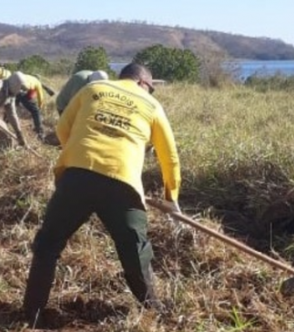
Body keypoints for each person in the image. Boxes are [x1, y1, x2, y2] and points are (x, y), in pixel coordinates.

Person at [22, 63, 181, 327]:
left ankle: (32, 315)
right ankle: (154, 311)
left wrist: (79, 153)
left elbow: (62, 128)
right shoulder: (152, 106)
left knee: (47, 245)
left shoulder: (93, 88)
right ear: (143, 83)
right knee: (135, 252)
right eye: (151, 88)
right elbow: (170, 157)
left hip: (76, 179)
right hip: (123, 185)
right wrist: (171, 198)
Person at [14, 72, 46, 141]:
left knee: (11, 109)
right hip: (23, 91)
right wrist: (40, 106)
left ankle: (5, 122)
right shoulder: (38, 82)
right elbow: (41, 97)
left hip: (14, 88)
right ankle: (39, 131)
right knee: (36, 111)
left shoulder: (27, 76)